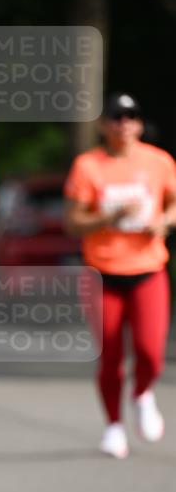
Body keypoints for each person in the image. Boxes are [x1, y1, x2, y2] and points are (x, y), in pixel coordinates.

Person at [64, 92, 176, 459]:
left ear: (140, 124)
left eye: (131, 116)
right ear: (104, 125)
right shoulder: (88, 165)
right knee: (111, 355)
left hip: (148, 269)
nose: (124, 123)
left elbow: (173, 204)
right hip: (102, 273)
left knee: (150, 352)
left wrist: (164, 221)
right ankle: (113, 425)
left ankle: (142, 393)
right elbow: (73, 222)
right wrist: (110, 216)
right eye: (116, 117)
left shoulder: (159, 161)